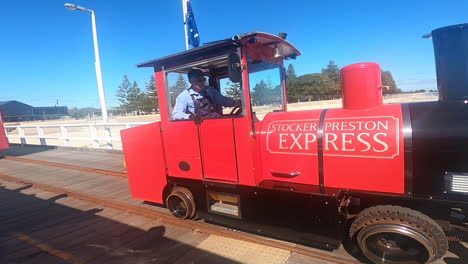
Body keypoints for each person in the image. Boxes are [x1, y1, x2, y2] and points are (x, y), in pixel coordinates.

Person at [171, 69, 241, 123]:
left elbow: (223, 100)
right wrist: (190, 116)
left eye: (203, 79)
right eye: (199, 80)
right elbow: (175, 115)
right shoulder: (183, 96)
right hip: (200, 126)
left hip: (217, 121)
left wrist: (235, 103)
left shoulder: (210, 90)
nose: (202, 82)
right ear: (191, 81)